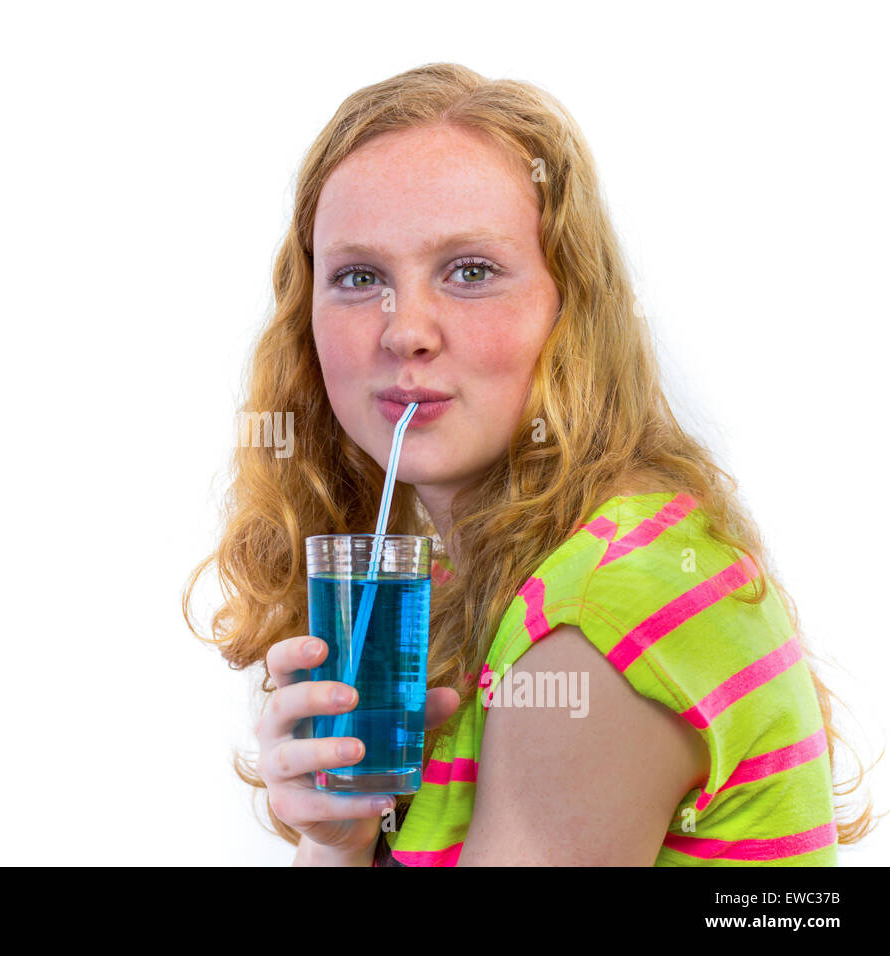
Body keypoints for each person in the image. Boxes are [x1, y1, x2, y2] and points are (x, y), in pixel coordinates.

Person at [182, 62, 879, 865]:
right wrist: (340, 841)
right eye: (359, 276)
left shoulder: (598, 607)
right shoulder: (463, 590)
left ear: (571, 305)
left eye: (470, 272)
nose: (405, 328)